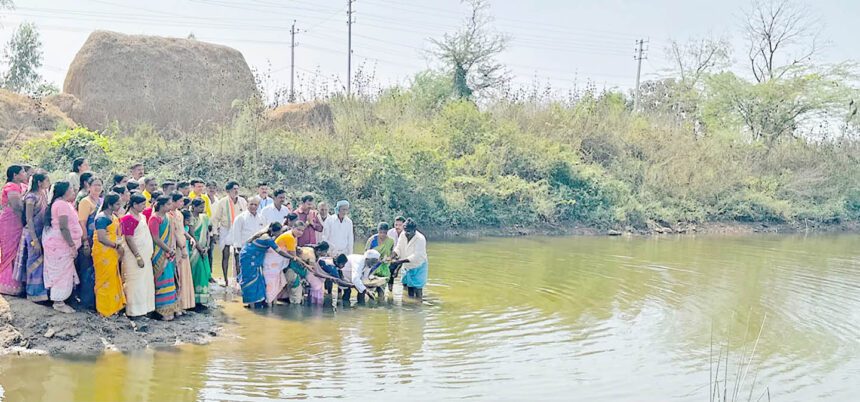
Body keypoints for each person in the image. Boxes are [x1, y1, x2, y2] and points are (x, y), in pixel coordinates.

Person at [42, 181, 82, 313]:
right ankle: (58, 302)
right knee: (61, 273)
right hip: (61, 245)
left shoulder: (64, 204)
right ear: (64, 191)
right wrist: (71, 245)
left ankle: (62, 299)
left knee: (65, 271)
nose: (73, 190)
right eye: (71, 188)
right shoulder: (61, 205)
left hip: (60, 244)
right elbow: (64, 227)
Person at [238, 222, 297, 308]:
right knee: (251, 279)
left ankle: (256, 303)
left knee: (258, 278)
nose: (280, 234)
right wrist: (292, 257)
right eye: (279, 232)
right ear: (274, 231)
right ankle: (252, 304)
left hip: (249, 255)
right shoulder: (267, 239)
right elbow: (279, 251)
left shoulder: (264, 233)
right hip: (250, 258)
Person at [13, 171, 50, 301]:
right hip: (32, 232)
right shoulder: (31, 197)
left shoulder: (44, 194)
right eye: (46, 180)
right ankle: (32, 292)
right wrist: (34, 239)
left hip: (42, 232)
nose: (48, 183)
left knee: (42, 262)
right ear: (39, 182)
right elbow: (29, 219)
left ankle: (41, 292)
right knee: (33, 260)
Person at [119, 194, 155, 318]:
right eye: (141, 204)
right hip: (134, 256)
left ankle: (144, 308)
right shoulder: (127, 218)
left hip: (146, 256)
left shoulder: (142, 216)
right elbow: (129, 238)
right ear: (134, 204)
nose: (144, 207)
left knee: (145, 281)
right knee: (134, 282)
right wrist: (137, 256)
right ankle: (133, 311)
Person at [92, 192, 126, 317]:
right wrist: (116, 245)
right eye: (117, 204)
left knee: (112, 278)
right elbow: (101, 238)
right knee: (104, 280)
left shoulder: (113, 217)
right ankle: (104, 310)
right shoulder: (102, 218)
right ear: (109, 204)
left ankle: (113, 307)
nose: (119, 206)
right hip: (103, 252)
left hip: (112, 251)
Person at [211, 181, 247, 286]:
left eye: (237, 189)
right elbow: (215, 219)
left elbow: (245, 216)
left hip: (238, 230)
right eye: (233, 189)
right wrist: (214, 233)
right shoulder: (222, 202)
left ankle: (239, 280)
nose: (236, 191)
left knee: (238, 255)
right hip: (225, 229)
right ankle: (226, 280)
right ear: (228, 191)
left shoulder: (242, 201)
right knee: (225, 254)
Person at [149, 196, 179, 320]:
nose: (170, 207)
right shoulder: (154, 219)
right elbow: (156, 238)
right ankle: (160, 310)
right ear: (161, 205)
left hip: (168, 252)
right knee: (160, 281)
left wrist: (171, 250)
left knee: (169, 279)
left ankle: (170, 309)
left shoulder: (168, 217)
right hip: (158, 253)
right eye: (168, 204)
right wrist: (168, 250)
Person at [75, 175, 102, 310]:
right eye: (95, 185)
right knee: (87, 270)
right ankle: (86, 301)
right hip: (89, 240)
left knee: (97, 270)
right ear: (89, 187)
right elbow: (82, 222)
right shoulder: (85, 202)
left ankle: (98, 300)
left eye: (99, 185)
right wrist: (85, 241)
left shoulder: (101, 201)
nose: (97, 187)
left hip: (101, 240)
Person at [0, 165, 26, 295]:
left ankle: (16, 284)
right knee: (10, 250)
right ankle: (7, 284)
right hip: (11, 221)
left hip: (17, 220)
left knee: (17, 249)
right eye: (22, 172)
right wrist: (25, 220)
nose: (25, 174)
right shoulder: (11, 186)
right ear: (15, 175)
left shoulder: (21, 186)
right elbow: (17, 206)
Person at [169, 193, 195, 311]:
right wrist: (182, 247)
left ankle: (184, 303)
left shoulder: (179, 214)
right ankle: (177, 305)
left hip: (183, 245)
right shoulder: (169, 215)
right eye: (180, 201)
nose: (182, 204)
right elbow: (174, 232)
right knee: (178, 275)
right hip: (176, 247)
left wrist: (191, 238)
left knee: (184, 274)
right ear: (173, 202)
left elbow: (182, 231)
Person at [392, 219, 428, 300]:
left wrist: (399, 262)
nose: (406, 233)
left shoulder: (420, 239)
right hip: (407, 266)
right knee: (409, 288)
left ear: (414, 230)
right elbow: (399, 248)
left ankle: (418, 305)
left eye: (409, 231)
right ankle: (409, 306)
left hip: (418, 266)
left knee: (418, 289)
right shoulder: (403, 234)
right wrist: (393, 255)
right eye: (405, 231)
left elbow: (416, 256)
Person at [275, 222, 309, 304]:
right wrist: (306, 265)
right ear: (293, 227)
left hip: (280, 263)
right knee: (295, 281)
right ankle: (295, 304)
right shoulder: (290, 237)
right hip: (277, 264)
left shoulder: (292, 236)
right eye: (298, 229)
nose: (300, 232)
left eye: (302, 231)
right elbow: (294, 257)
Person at [188, 198, 211, 308]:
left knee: (204, 273)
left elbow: (207, 233)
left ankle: (202, 299)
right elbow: (192, 235)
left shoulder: (205, 218)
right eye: (201, 207)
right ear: (194, 207)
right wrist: (200, 248)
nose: (203, 209)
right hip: (194, 249)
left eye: (204, 206)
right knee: (196, 272)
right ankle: (194, 300)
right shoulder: (191, 218)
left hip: (203, 248)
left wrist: (206, 247)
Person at [366, 222, 395, 292]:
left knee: (381, 290)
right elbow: (366, 253)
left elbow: (393, 253)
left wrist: (389, 258)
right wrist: (376, 259)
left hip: (384, 268)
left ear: (387, 232)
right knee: (371, 289)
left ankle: (381, 301)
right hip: (372, 268)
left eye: (384, 233)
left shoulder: (390, 241)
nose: (382, 234)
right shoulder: (372, 240)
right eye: (380, 232)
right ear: (378, 231)